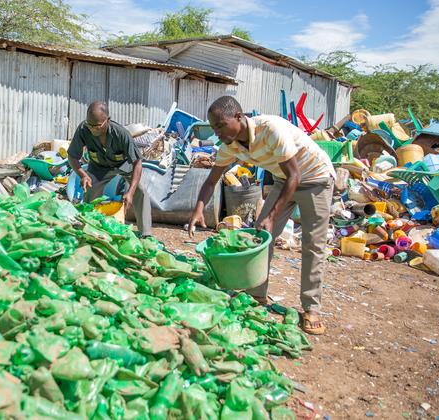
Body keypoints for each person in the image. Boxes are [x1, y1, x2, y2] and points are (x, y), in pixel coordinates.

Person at [188, 96, 335, 335]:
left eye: (220, 125)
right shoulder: (230, 144)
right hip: (283, 180)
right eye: (214, 127)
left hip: (314, 178)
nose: (217, 132)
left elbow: (295, 176)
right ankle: (257, 295)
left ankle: (311, 308)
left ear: (239, 117)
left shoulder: (271, 129)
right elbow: (212, 179)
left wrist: (272, 214)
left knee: (313, 244)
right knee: (260, 238)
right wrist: (198, 209)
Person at [67, 101, 152, 238]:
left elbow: (137, 162)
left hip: (124, 165)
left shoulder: (121, 134)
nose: (93, 129)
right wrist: (82, 174)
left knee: (140, 192)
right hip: (99, 167)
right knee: (90, 190)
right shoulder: (84, 129)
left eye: (98, 126)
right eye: (90, 125)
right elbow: (72, 156)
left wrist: (130, 192)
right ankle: (89, 227)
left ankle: (146, 233)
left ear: (108, 120)